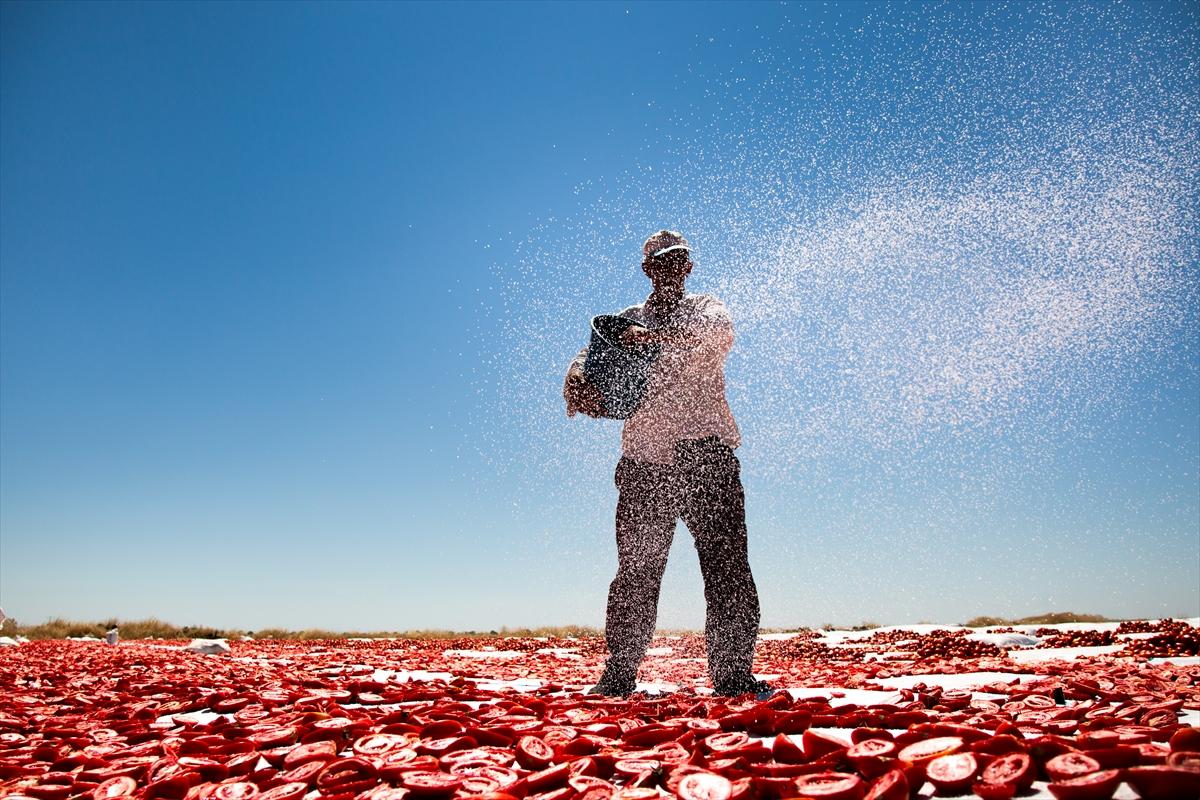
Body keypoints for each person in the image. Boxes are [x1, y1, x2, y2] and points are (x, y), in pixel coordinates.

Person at [564, 230, 770, 697]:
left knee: (727, 566)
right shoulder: (624, 321)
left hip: (706, 453)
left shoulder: (706, 308)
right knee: (637, 568)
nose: (670, 268)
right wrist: (578, 384)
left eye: (678, 260)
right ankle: (620, 671)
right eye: (661, 262)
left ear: (689, 266)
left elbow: (713, 336)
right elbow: (585, 359)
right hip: (644, 460)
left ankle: (734, 673)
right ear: (647, 269)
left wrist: (651, 338)